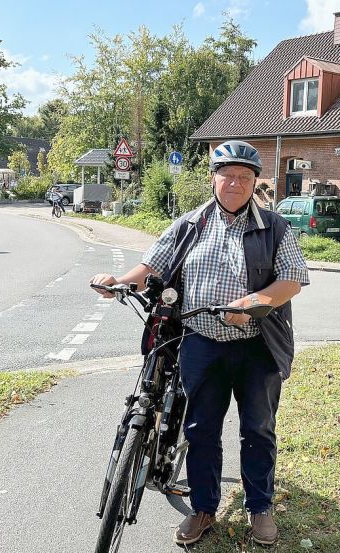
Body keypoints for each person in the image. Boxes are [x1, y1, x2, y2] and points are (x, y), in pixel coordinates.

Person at [90, 140, 309, 547]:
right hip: (201, 342)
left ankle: (259, 508)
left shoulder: (275, 227)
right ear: (213, 178)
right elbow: (152, 265)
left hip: (256, 344)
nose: (235, 183)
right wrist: (119, 282)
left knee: (258, 429)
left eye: (245, 177)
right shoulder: (190, 224)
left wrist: (253, 303)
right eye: (227, 175)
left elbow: (291, 279)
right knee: (201, 428)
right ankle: (204, 508)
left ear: (255, 182)